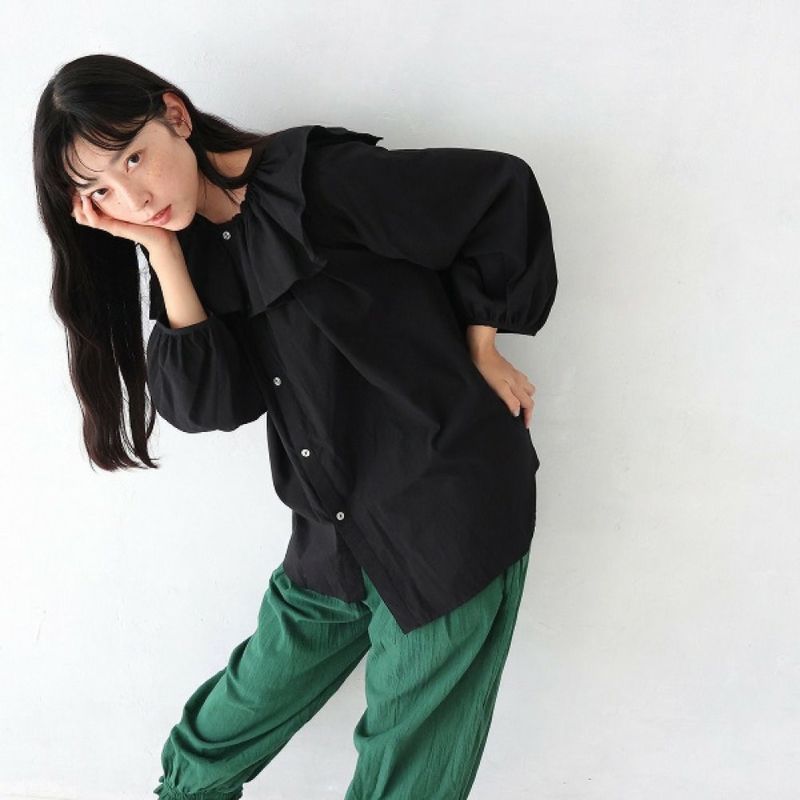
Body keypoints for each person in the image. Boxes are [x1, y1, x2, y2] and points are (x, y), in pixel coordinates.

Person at [33, 53, 558, 800]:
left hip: (444, 510)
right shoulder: (186, 248)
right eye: (101, 190)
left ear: (175, 115)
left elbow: (499, 190)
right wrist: (162, 251)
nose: (134, 196)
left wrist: (484, 342)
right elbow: (209, 407)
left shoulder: (319, 184)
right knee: (212, 744)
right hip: (331, 533)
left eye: (134, 158)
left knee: (405, 774)